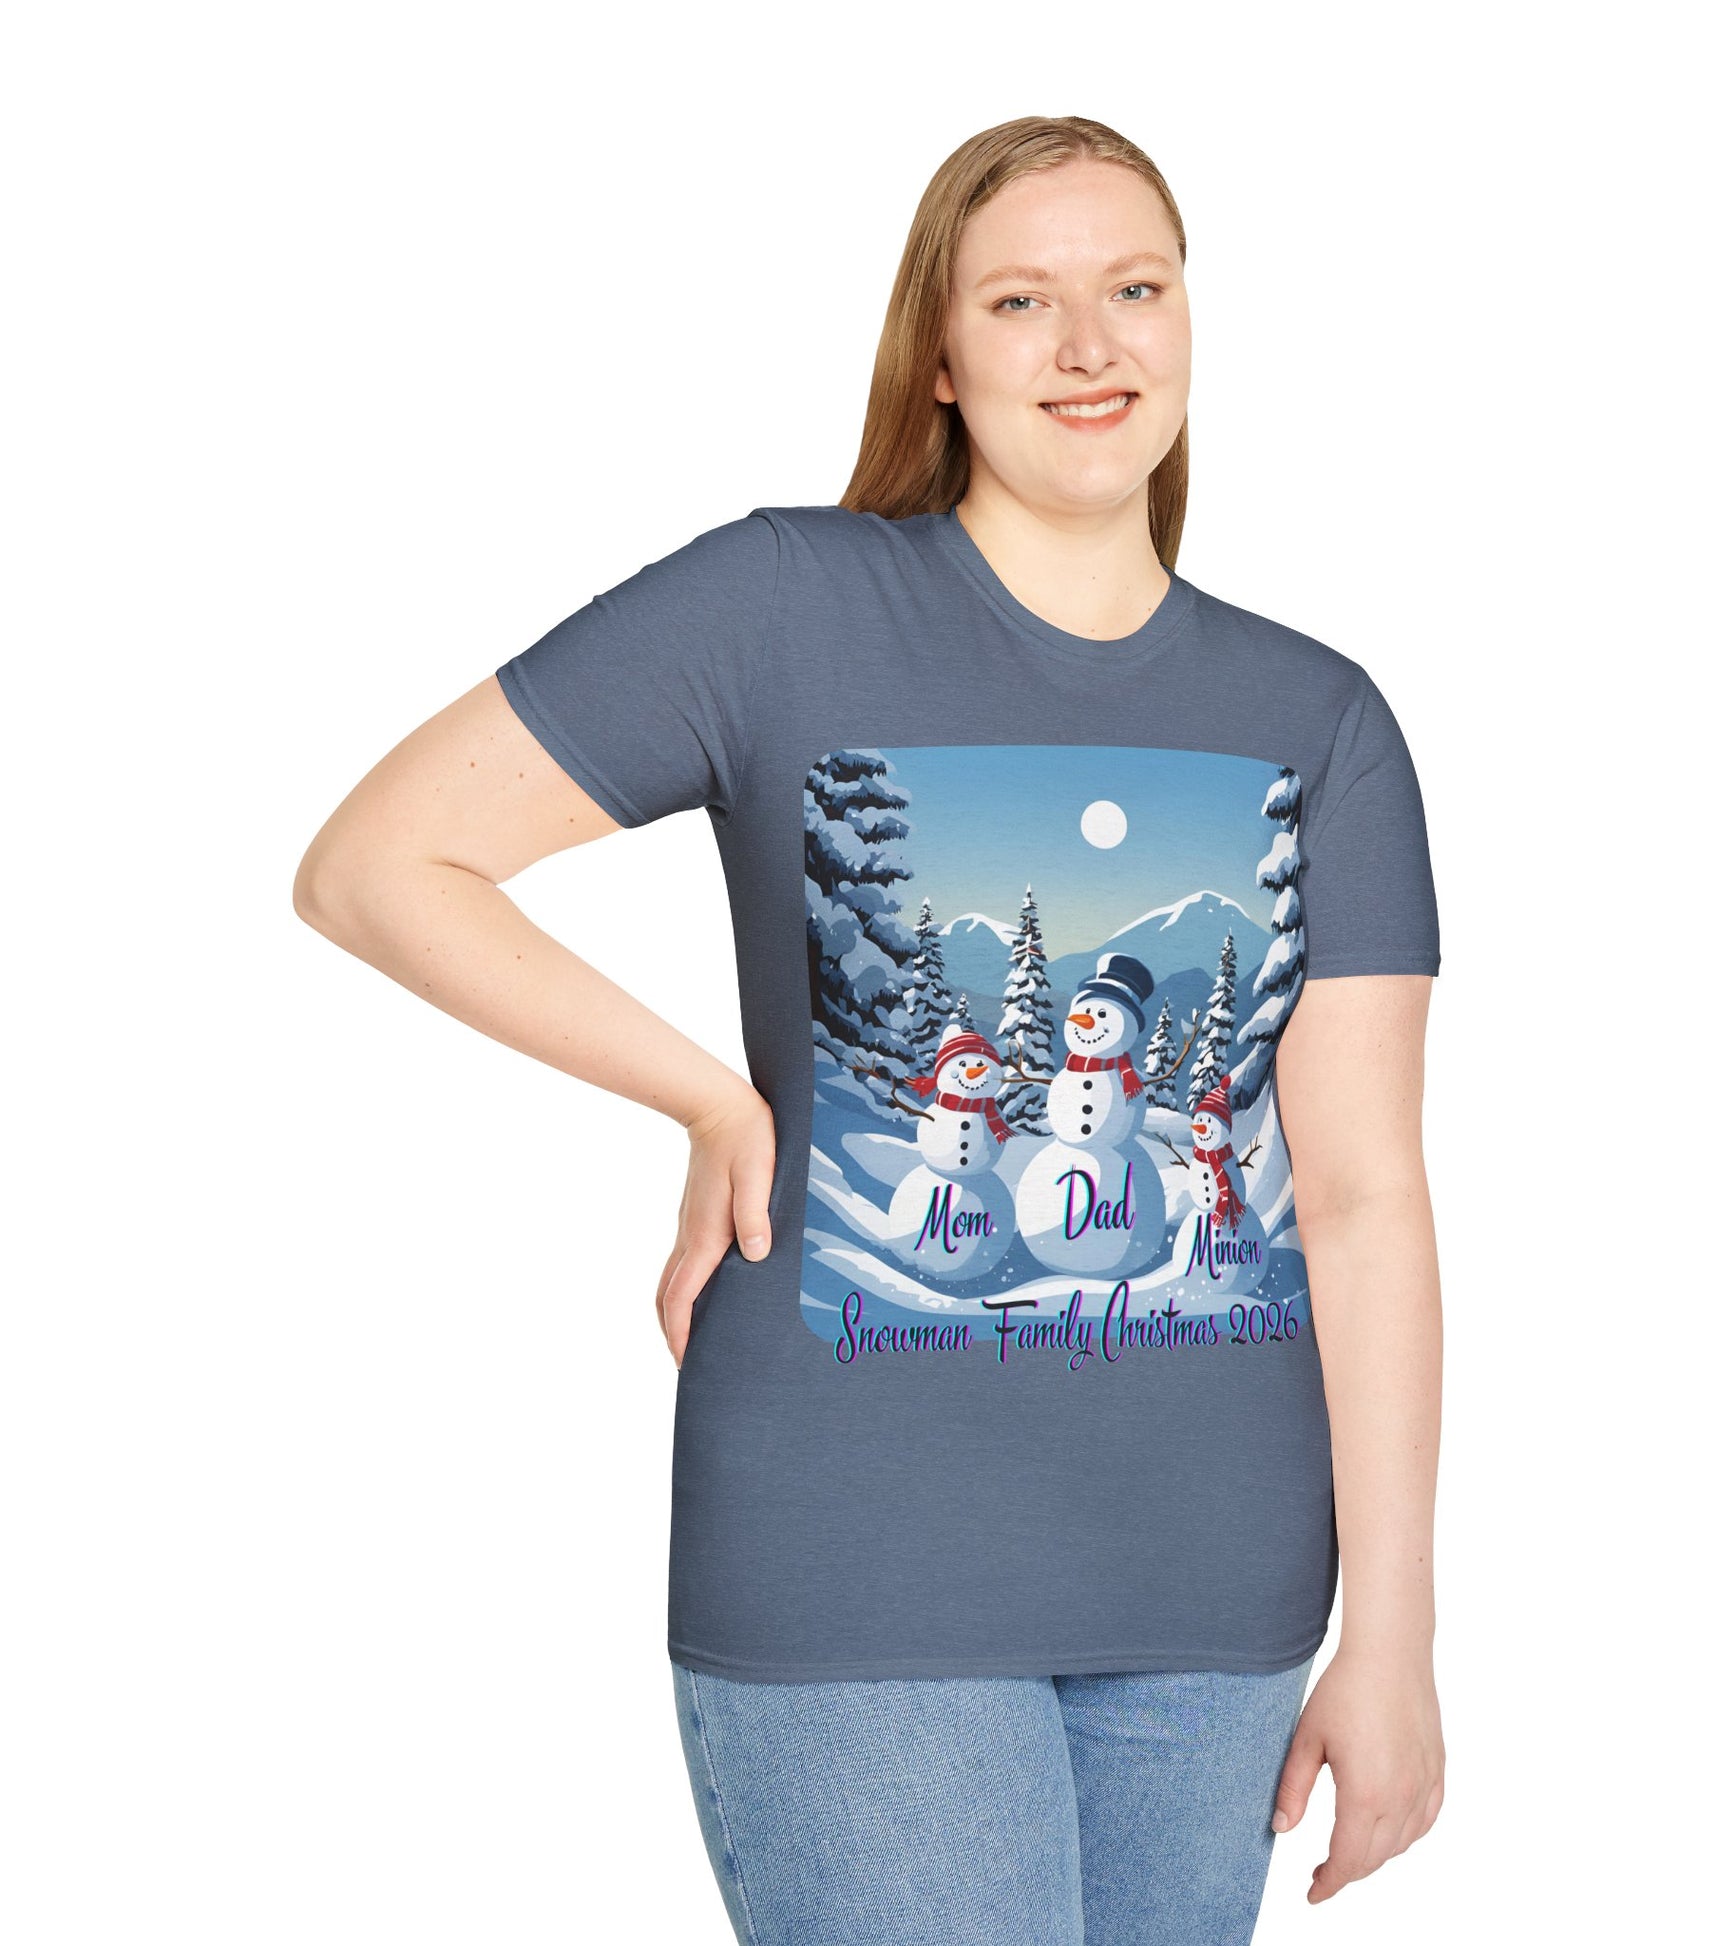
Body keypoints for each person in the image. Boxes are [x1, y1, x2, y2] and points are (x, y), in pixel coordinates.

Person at [294, 114, 1445, 1945]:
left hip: (1214, 1603)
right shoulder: (779, 604)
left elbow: (1365, 1197)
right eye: (1022, 300)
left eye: (1135, 288)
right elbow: (378, 864)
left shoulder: (1317, 715)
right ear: (942, 357)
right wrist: (711, 1099)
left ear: (1187, 324)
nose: (1089, 344)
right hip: (855, 1580)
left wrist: (1393, 1635)